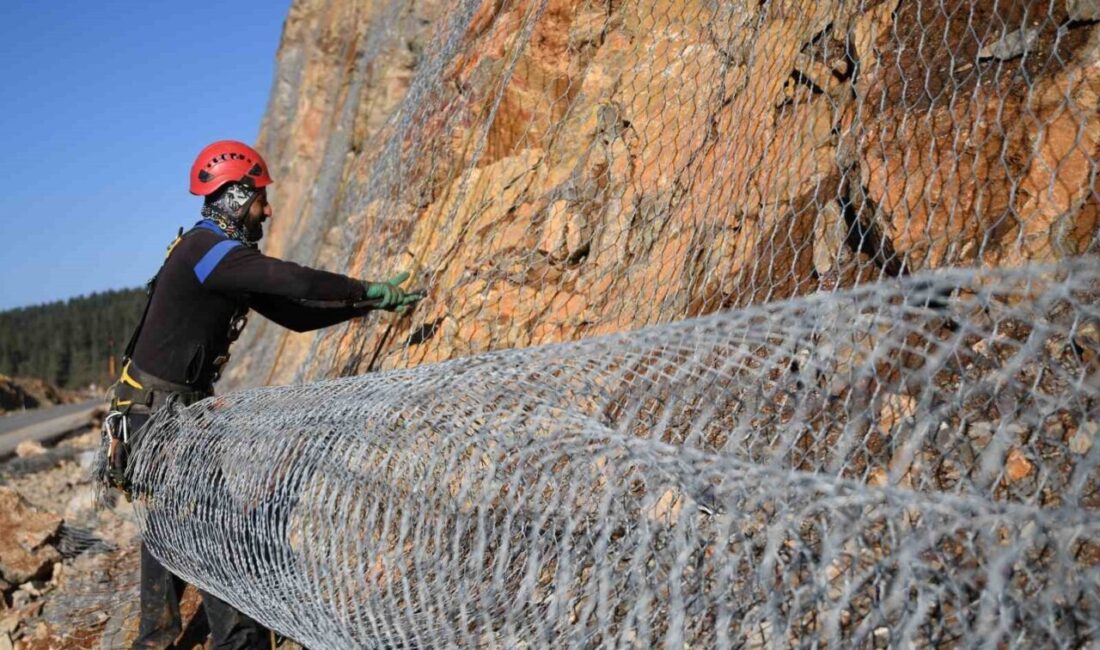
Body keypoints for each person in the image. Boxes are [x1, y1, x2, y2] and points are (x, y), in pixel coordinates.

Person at [104, 140, 423, 649]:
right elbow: (290, 278)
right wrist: (368, 288)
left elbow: (293, 314)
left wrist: (366, 307)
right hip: (159, 413)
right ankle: (240, 641)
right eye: (259, 199)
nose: (267, 209)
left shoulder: (219, 257)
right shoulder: (208, 252)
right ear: (234, 196)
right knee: (207, 522)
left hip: (161, 412)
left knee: (173, 521)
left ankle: (156, 638)